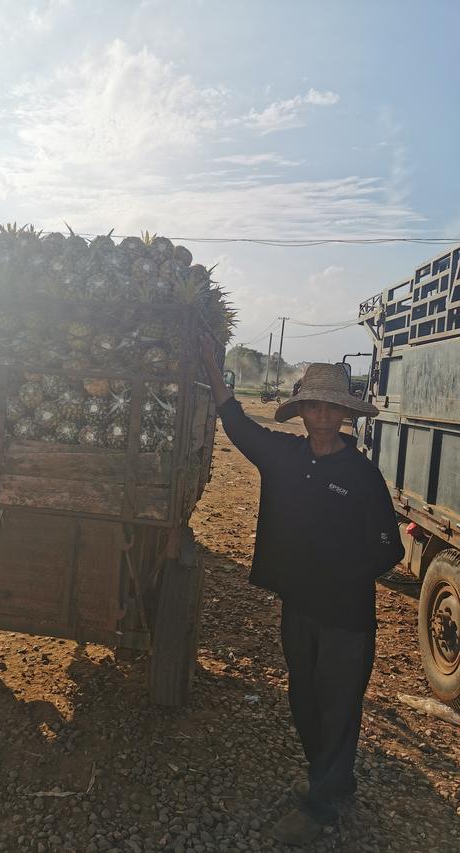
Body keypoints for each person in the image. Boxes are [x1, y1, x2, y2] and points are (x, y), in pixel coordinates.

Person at [200, 334, 404, 846]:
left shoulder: (361, 474)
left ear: (343, 413)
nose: (321, 415)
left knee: (338, 704)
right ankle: (334, 777)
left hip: (346, 616)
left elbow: (389, 549)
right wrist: (211, 368)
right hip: (299, 607)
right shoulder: (285, 457)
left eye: (331, 406)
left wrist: (342, 572)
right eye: (313, 405)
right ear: (303, 410)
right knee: (304, 699)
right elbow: (240, 426)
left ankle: (321, 807)